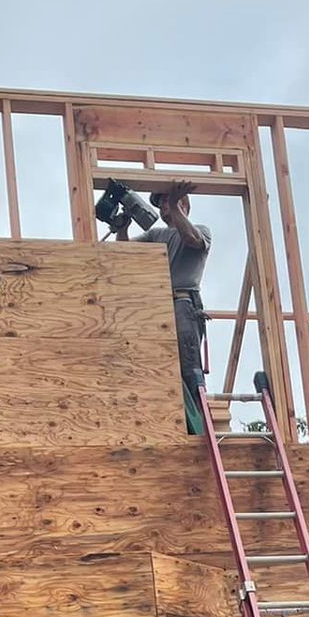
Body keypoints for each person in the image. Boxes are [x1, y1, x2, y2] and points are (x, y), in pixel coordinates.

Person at [111, 183, 211, 435]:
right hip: (157, 308)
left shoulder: (201, 230)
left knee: (188, 367)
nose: (163, 207)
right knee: (158, 369)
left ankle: (200, 428)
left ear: (184, 204)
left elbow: (191, 239)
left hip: (183, 304)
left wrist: (176, 208)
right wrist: (121, 229)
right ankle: (173, 424)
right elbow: (123, 254)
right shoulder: (156, 236)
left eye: (168, 201)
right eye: (161, 203)